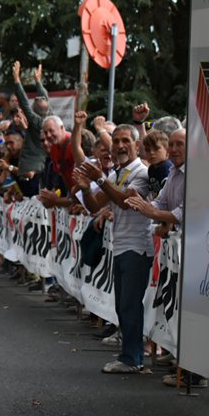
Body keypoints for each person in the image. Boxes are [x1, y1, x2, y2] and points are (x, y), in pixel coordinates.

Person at [77, 125, 153, 374]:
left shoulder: (141, 172)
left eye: (125, 141)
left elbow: (125, 201)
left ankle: (133, 359)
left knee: (130, 305)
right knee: (122, 305)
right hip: (120, 246)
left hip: (137, 247)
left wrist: (99, 179)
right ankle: (129, 355)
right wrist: (86, 188)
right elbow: (93, 205)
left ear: (136, 145)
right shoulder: (115, 174)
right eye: (116, 142)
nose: (120, 146)